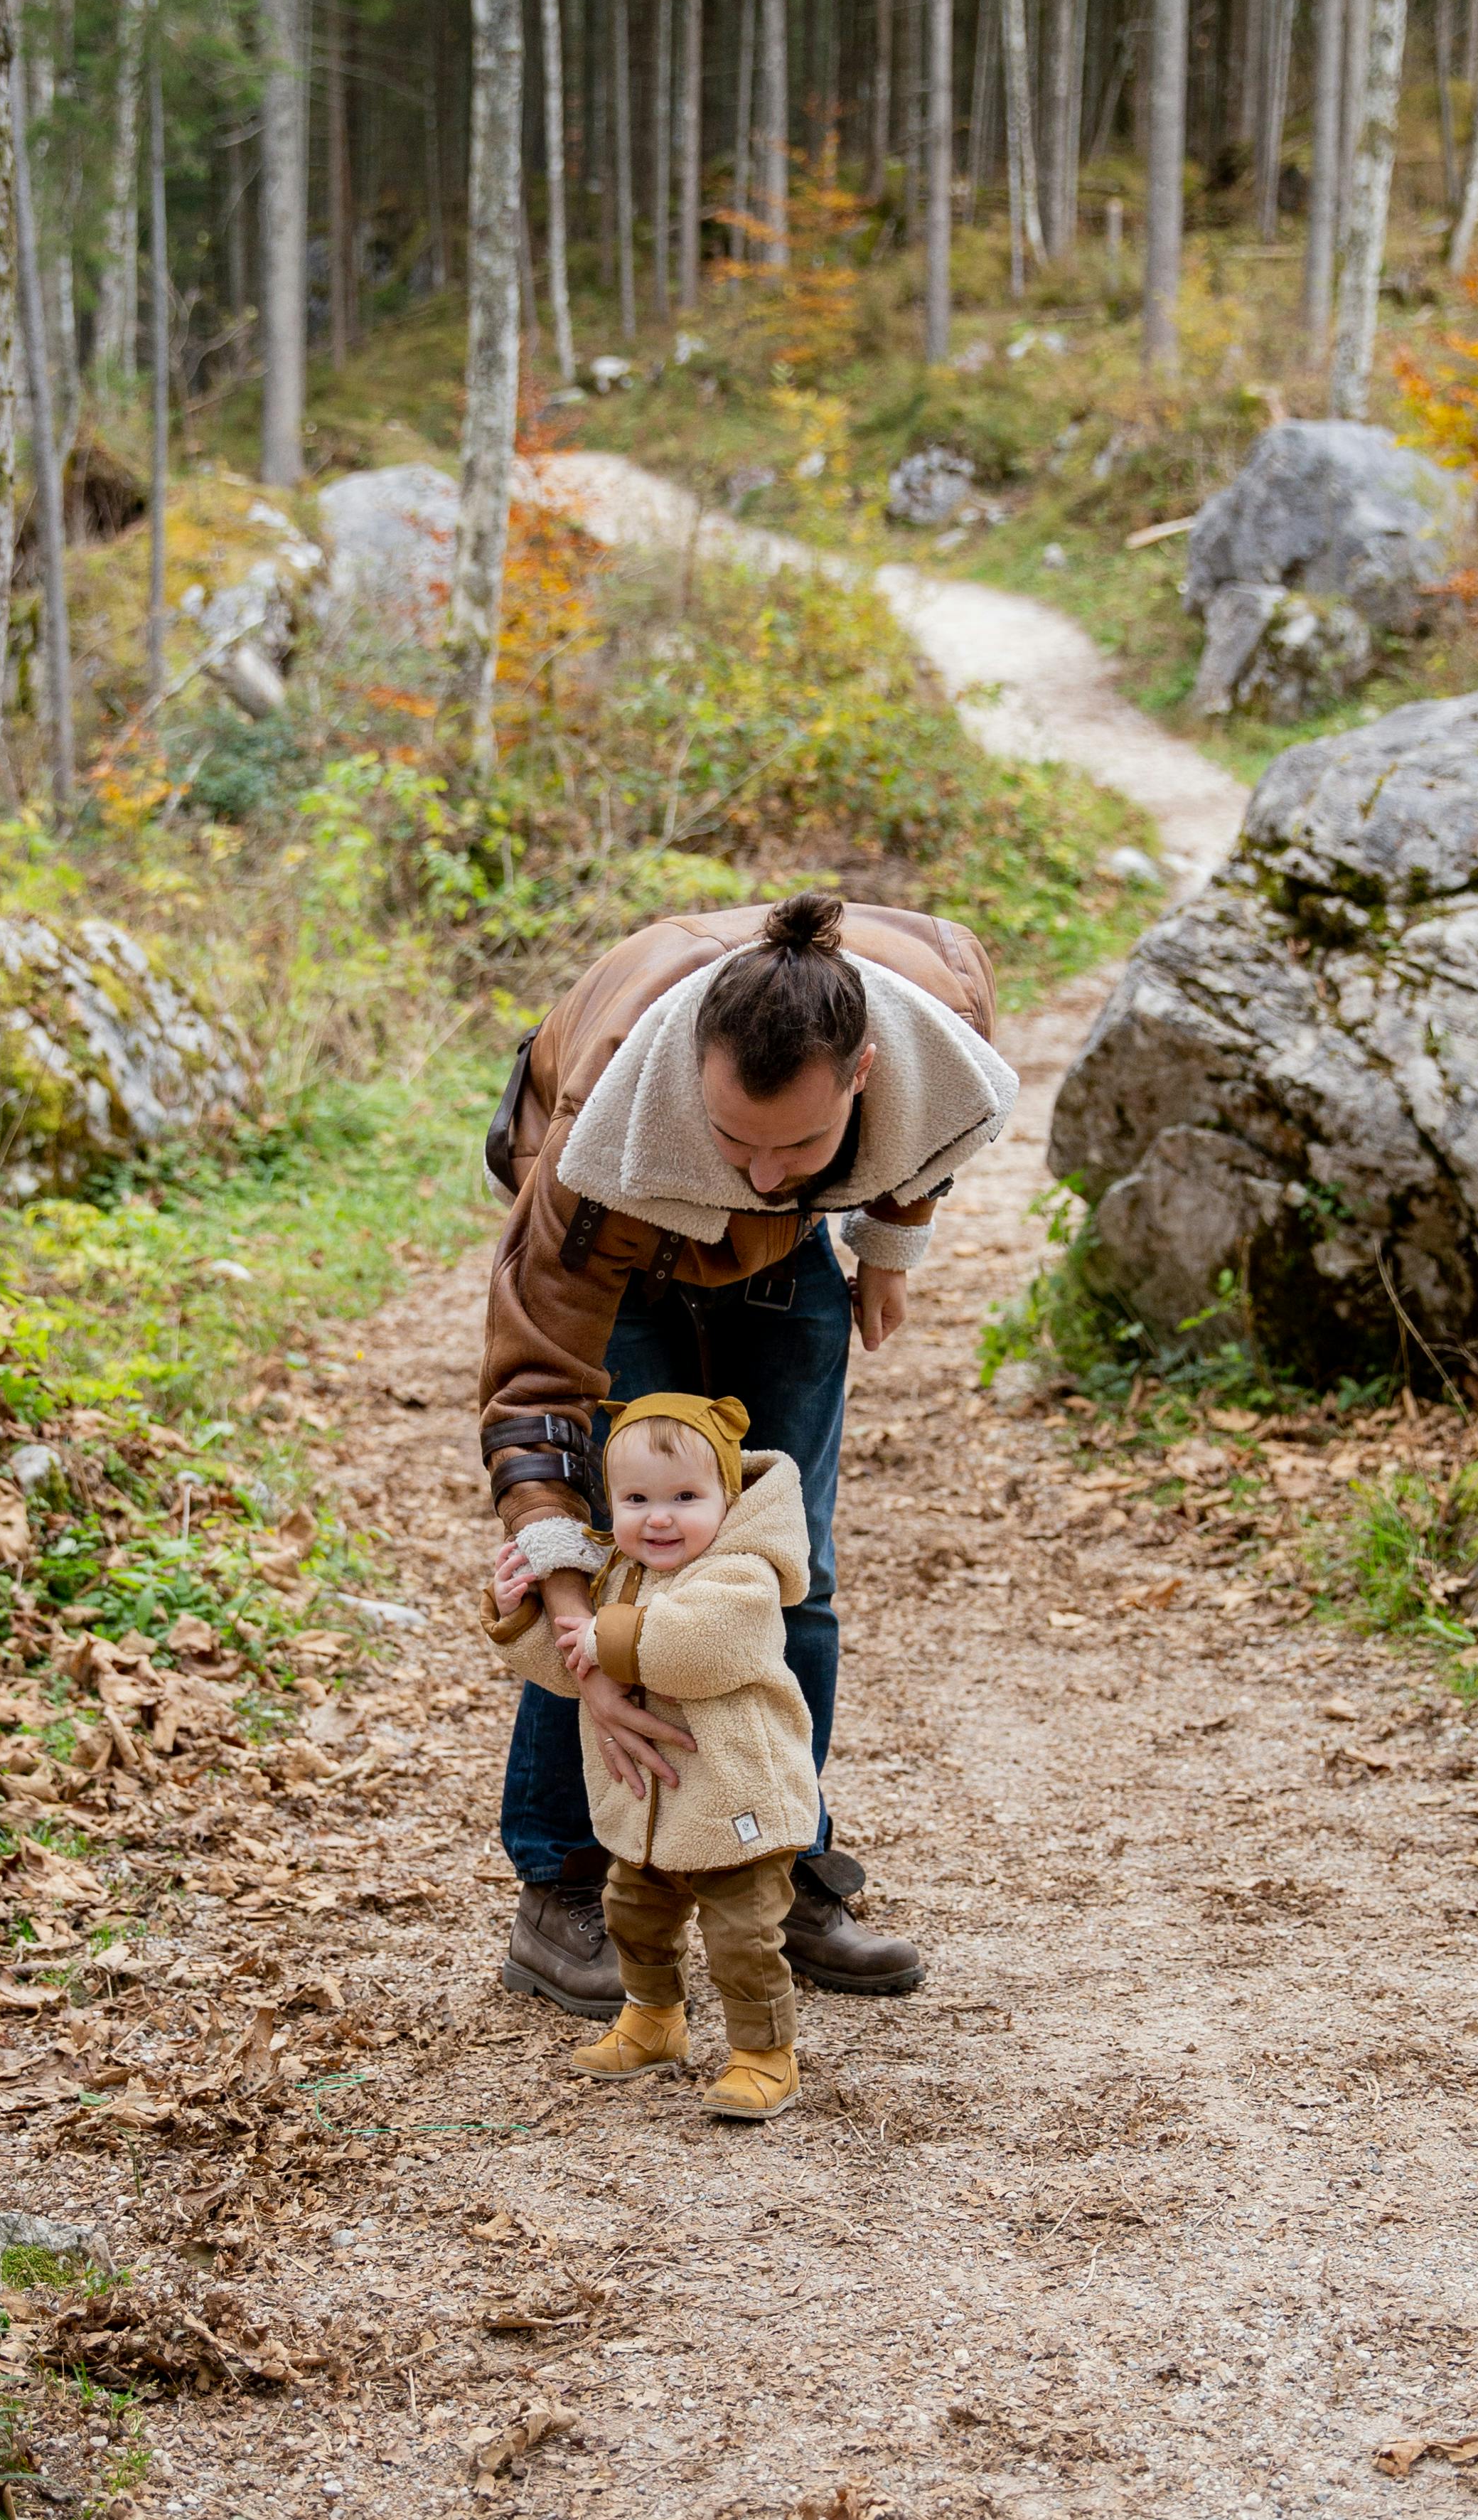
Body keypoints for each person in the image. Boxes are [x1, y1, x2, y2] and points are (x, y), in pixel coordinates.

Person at [480, 890, 1017, 2016]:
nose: (768, 1174)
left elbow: (935, 1121)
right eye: (738, 1140)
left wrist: (887, 1240)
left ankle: (776, 1859)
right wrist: (574, 1616)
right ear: (692, 1080)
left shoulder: (937, 1013)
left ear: (865, 1073)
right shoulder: (600, 1129)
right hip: (624, 1242)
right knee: (632, 1548)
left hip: (784, 1265)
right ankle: (563, 1879)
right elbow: (537, 1382)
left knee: (788, 1564)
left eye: (802, 1144)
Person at [484, 1391, 816, 2119]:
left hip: (737, 1800)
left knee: (742, 1935)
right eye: (635, 1497)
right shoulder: (614, 1574)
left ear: (728, 1498)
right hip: (651, 1807)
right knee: (633, 1914)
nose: (658, 1516)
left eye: (684, 1496)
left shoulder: (743, 1575)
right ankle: (652, 2017)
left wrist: (606, 1638)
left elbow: (700, 1649)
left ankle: (764, 2053)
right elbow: (571, 1669)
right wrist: (523, 1618)